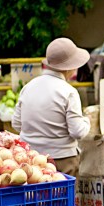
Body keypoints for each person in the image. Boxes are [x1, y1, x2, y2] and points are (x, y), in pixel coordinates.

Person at [12, 37, 91, 177]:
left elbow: (17, 124)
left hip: (30, 160)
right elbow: (77, 132)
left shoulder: (28, 87)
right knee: (63, 198)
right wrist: (87, 121)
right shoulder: (69, 92)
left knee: (35, 198)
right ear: (70, 67)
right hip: (63, 161)